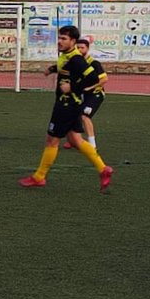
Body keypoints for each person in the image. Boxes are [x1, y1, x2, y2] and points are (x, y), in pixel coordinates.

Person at [19, 24, 112, 191]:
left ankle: (39, 177)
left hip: (66, 105)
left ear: (73, 41)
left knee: (52, 140)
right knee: (75, 140)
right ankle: (103, 168)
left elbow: (92, 78)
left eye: (64, 39)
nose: (59, 42)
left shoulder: (76, 58)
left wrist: (73, 88)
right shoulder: (67, 56)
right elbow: (67, 69)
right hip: (72, 105)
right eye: (59, 38)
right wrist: (52, 69)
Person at [74, 36, 108, 152]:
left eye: (82, 48)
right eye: (77, 48)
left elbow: (104, 80)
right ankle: (74, 140)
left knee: (84, 116)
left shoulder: (94, 64)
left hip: (95, 94)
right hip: (83, 94)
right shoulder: (77, 63)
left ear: (87, 49)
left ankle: (92, 144)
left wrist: (90, 87)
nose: (79, 50)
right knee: (72, 114)